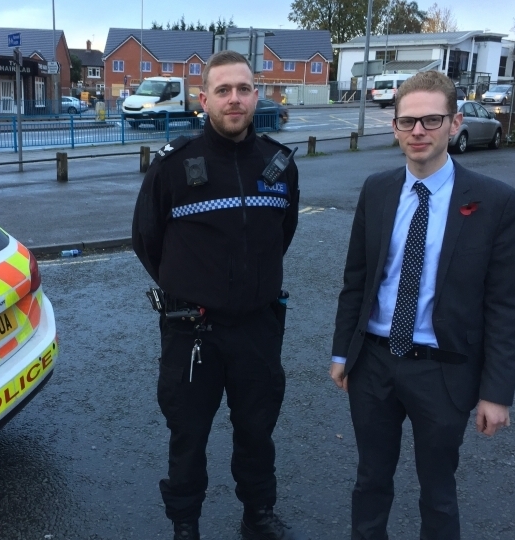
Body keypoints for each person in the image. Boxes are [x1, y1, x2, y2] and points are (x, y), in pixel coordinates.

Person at [329, 70, 515, 540]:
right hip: (374, 362)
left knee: (438, 492)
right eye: (407, 121)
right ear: (395, 126)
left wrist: (496, 392)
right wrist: (342, 353)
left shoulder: (496, 202)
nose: (418, 131)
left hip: (443, 370)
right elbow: (356, 279)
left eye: (431, 120)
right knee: (370, 481)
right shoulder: (377, 189)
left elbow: (505, 303)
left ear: (455, 123)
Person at [132, 50, 303, 540]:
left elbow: (281, 234)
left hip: (258, 327)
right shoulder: (174, 166)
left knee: (257, 431)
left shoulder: (279, 165)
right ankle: (185, 524)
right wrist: (195, 283)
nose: (234, 99)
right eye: (223, 90)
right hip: (193, 330)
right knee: (189, 435)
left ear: (256, 95)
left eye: (243, 89)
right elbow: (147, 240)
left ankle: (258, 515)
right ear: (203, 98)